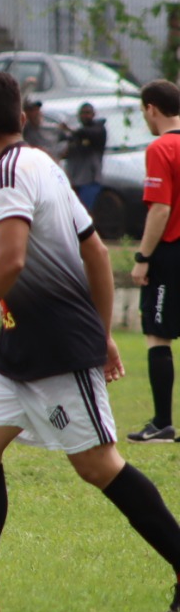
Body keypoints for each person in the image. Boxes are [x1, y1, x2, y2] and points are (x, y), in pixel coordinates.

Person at [0, 70, 180, 612]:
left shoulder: (9, 176)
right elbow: (98, 253)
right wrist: (104, 331)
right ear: (21, 117)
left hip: (56, 344)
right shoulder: (41, 162)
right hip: (18, 347)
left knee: (99, 465)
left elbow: (10, 259)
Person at [128, 81, 180, 443]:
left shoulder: (162, 147)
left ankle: (162, 422)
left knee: (157, 334)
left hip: (170, 252)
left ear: (151, 109)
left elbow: (160, 209)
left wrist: (143, 257)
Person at [64, 101, 107, 212]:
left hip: (91, 180)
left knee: (85, 212)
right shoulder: (75, 136)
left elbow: (88, 133)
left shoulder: (98, 131)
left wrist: (70, 130)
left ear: (93, 114)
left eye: (88, 113)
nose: (85, 115)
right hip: (75, 180)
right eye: (82, 113)